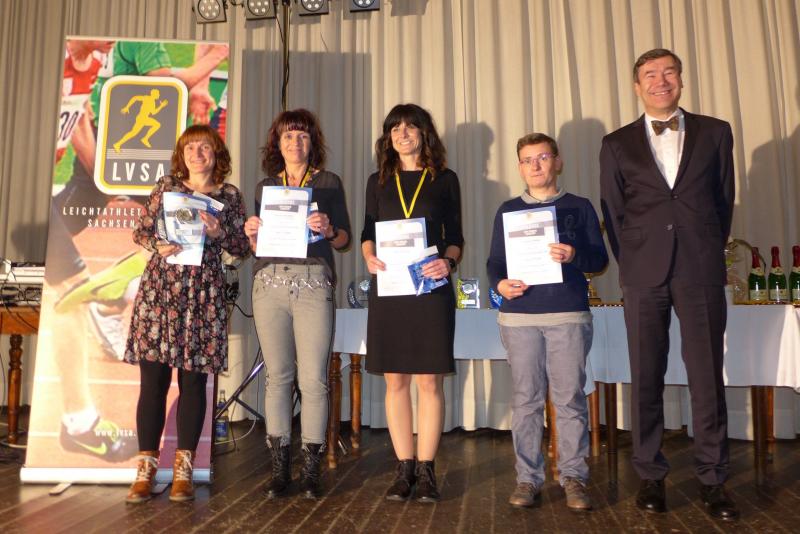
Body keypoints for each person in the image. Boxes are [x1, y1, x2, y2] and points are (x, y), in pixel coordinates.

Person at [599, 48, 737, 520]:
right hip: (643, 273)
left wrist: (706, 249)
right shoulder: (615, 143)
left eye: (668, 72)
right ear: (637, 86)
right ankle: (650, 476)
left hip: (700, 267)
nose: (660, 81)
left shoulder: (716, 132)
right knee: (646, 376)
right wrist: (634, 264)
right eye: (650, 75)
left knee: (706, 377)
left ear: (680, 79)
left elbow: (723, 201)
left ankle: (713, 479)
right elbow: (614, 211)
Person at [123, 125, 249, 504]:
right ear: (181, 154)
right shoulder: (166, 187)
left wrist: (219, 233)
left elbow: (242, 247)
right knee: (153, 383)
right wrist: (157, 244)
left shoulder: (229, 196)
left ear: (216, 153)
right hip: (160, 292)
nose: (197, 153)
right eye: (190, 147)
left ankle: (183, 471)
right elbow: (141, 232)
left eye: (204, 147)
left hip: (203, 295)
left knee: (193, 384)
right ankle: (145, 470)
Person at [487, 133, 608, 510]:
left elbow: (599, 260)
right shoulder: (507, 210)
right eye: (527, 160)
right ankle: (527, 479)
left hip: (567, 315)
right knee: (526, 401)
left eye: (542, 157)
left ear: (557, 162)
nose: (535, 165)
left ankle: (573, 477)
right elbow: (495, 263)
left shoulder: (580, 206)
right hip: (519, 318)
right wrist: (499, 284)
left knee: (569, 398)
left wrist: (573, 255)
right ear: (520, 167)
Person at [244, 109, 351, 500]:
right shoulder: (265, 187)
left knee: (313, 379)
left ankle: (310, 468)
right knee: (277, 377)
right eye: (288, 136)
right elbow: (257, 247)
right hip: (269, 282)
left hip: (312, 282)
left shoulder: (328, 182)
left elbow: (344, 240)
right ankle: (279, 467)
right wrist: (251, 234)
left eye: (302, 136)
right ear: (278, 143)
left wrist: (329, 229)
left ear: (312, 142)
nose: (295, 142)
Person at [361, 103, 463, 503]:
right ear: (388, 138)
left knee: (429, 381)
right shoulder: (377, 181)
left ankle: (427, 468)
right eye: (395, 128)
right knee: (396, 381)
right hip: (390, 289)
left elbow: (455, 237)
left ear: (424, 133)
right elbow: (368, 231)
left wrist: (448, 262)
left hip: (430, 290)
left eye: (410, 127)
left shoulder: (446, 179)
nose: (402, 134)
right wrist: (368, 257)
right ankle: (404, 468)